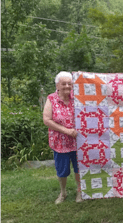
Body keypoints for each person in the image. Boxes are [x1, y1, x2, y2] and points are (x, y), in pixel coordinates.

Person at [43, 71, 83, 204]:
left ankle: (79, 192)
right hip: (60, 143)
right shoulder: (51, 99)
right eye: (63, 83)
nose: (67, 86)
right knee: (62, 170)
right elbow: (47, 120)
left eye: (69, 83)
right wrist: (66, 130)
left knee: (79, 168)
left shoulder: (77, 98)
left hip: (77, 141)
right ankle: (63, 192)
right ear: (57, 85)